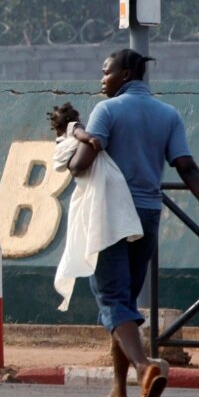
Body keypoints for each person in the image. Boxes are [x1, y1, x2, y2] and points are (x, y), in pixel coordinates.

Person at [69, 49, 199, 397]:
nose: (102, 78)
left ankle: (145, 367)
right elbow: (188, 168)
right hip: (148, 214)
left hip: (111, 215)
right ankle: (118, 391)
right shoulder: (169, 114)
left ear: (125, 74)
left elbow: (80, 166)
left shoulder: (107, 111)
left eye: (106, 72)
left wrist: (72, 136)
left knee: (112, 299)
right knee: (125, 299)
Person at [49, 102, 142, 312]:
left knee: (108, 287)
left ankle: (122, 338)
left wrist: (85, 143)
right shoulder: (70, 132)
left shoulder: (68, 132)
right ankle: (117, 338)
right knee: (114, 285)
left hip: (99, 190)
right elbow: (72, 150)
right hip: (102, 189)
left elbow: (74, 163)